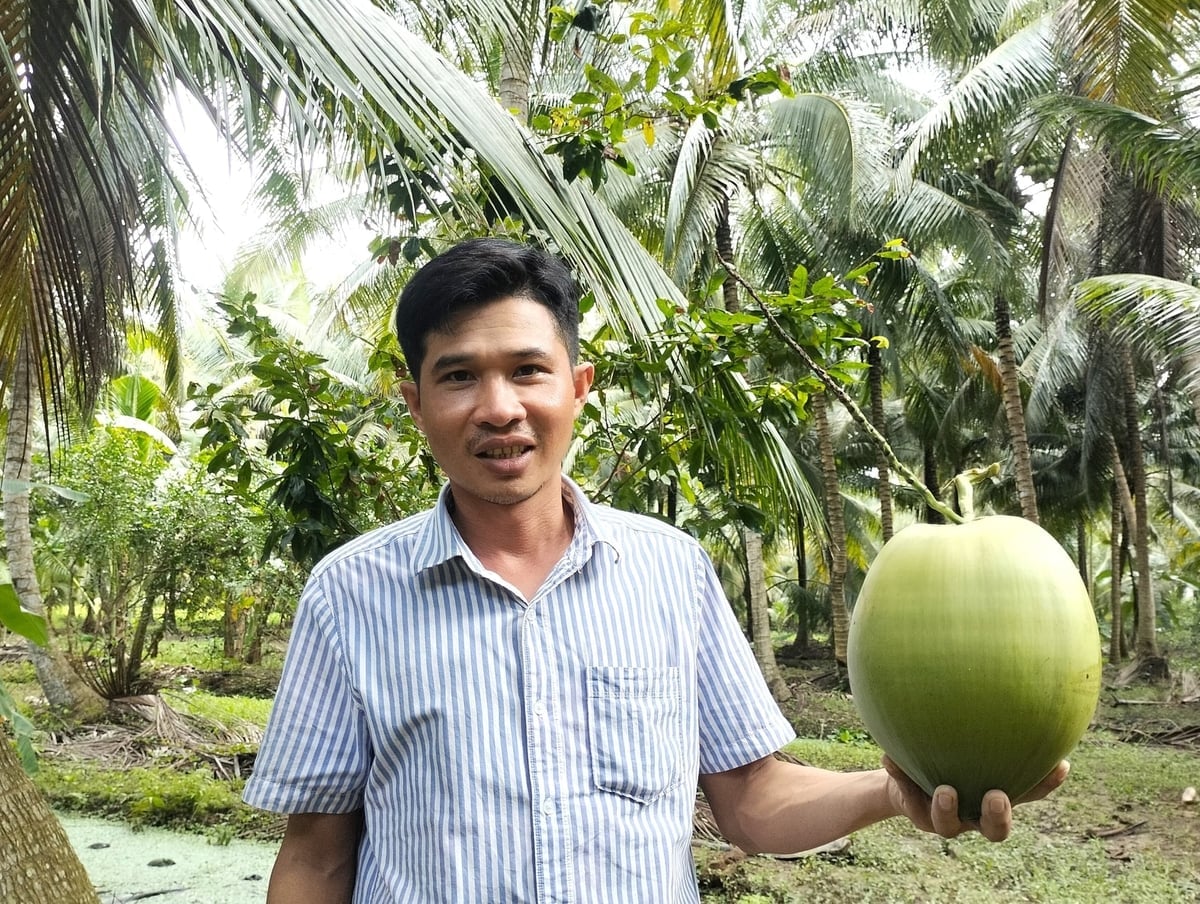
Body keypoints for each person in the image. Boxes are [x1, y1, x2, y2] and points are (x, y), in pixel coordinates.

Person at [242, 237, 1068, 903]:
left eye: (528, 369)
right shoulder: (350, 595)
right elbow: (317, 860)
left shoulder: (671, 573)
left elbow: (753, 802)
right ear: (416, 404)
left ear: (579, 388)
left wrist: (895, 795)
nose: (499, 407)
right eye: (459, 375)